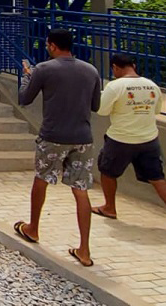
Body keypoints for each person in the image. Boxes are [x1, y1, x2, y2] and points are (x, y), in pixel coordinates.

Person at [13, 28, 101, 267]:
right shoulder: (91, 71)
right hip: (83, 137)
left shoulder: (43, 69)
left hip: (53, 136)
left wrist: (27, 76)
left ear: (51, 45)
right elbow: (95, 105)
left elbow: (25, 98)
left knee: (41, 180)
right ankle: (84, 249)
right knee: (80, 190)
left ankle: (33, 228)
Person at [93, 53, 166, 237]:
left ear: (115, 67)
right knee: (157, 177)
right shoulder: (152, 85)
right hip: (149, 139)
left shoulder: (115, 86)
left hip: (120, 139)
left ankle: (109, 207)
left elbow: (102, 110)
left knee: (107, 172)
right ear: (134, 65)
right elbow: (156, 110)